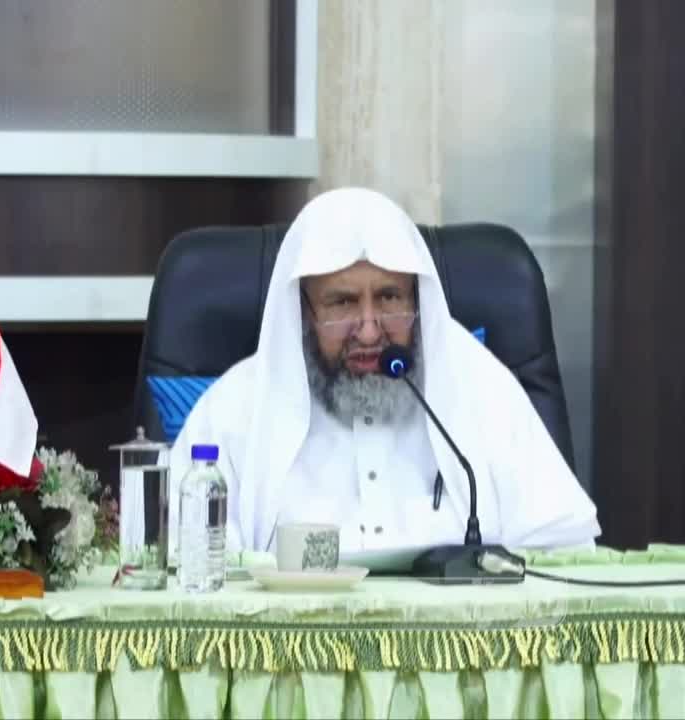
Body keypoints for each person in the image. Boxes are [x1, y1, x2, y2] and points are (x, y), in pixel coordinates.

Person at [168, 187, 601, 553]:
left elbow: (564, 547)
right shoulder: (233, 411)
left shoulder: (482, 389)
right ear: (302, 312)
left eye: (391, 298)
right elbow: (191, 570)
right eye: (342, 303)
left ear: (418, 300)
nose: (371, 332)